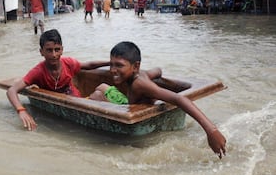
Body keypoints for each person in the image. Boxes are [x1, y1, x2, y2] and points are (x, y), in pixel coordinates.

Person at [89, 41, 227, 159]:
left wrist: (211, 131)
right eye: (111, 64)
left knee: (95, 96)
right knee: (102, 87)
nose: (113, 70)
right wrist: (155, 74)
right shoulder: (142, 74)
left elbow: (178, 98)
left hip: (132, 112)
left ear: (135, 66)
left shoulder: (140, 84)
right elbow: (158, 70)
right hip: (129, 102)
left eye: (119, 65)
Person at [6, 29, 109, 131]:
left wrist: (110, 63)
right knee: (98, 95)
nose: (54, 55)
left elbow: (89, 65)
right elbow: (11, 90)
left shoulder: (68, 63)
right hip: (69, 108)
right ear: (41, 52)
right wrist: (22, 111)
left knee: (101, 90)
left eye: (57, 49)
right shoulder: (38, 71)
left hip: (79, 102)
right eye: (49, 50)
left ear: (62, 50)